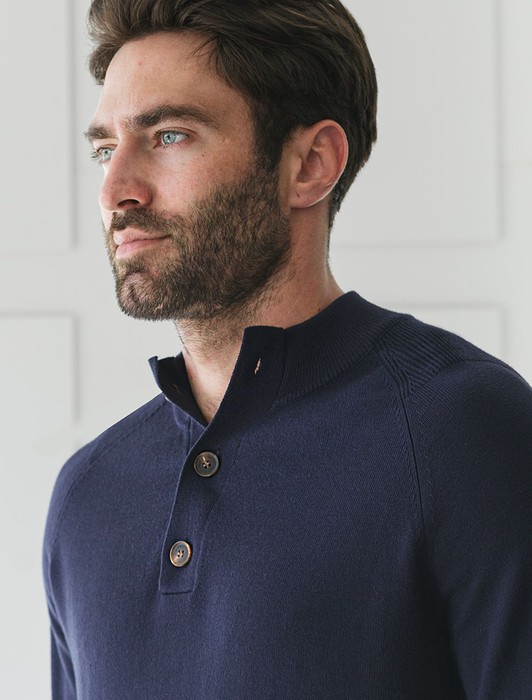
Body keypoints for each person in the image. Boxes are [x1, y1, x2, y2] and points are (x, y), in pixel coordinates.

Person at [43, 1, 532, 697]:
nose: (115, 191)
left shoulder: (465, 429)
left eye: (169, 136)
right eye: (103, 149)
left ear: (310, 165)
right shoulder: (87, 495)